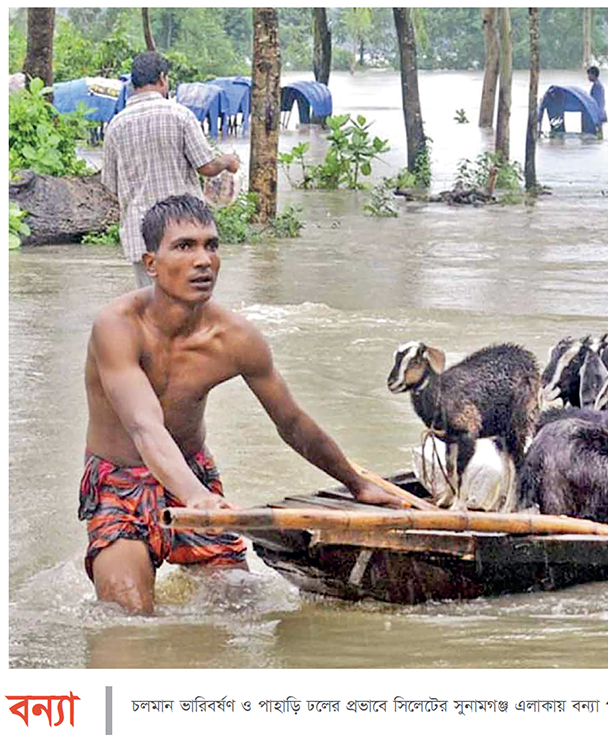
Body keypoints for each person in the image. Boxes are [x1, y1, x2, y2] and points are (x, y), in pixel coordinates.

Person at [80, 195, 407, 615]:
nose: (203, 260)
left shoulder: (235, 338)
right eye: (185, 246)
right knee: (129, 616)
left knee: (241, 608)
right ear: (151, 263)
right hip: (119, 483)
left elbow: (290, 422)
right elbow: (145, 427)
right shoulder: (117, 326)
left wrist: (358, 484)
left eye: (211, 245)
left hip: (193, 472)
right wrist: (196, 498)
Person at [101, 51, 240, 289]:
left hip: (141, 236)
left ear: (133, 84)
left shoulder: (116, 125)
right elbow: (206, 167)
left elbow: (110, 185)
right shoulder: (181, 115)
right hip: (184, 233)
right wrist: (227, 161)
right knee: (191, 305)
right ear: (163, 79)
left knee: (152, 307)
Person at [587, 65, 607, 134]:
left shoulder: (597, 87)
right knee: (598, 135)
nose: (588, 77)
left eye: (589, 75)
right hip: (599, 113)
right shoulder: (597, 85)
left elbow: (598, 102)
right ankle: (598, 144)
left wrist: (597, 115)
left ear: (594, 75)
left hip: (598, 114)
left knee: (598, 134)